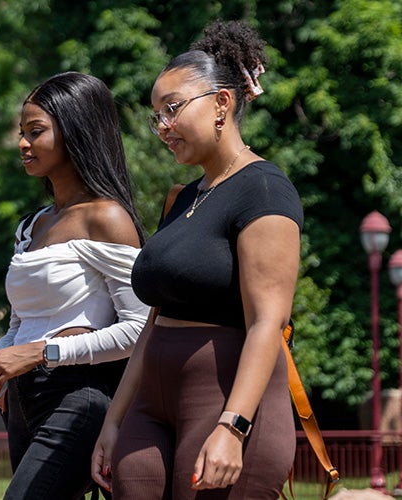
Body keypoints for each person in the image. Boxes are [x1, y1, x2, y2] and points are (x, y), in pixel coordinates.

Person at [90, 20, 301, 499]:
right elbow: (155, 317)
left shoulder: (264, 188)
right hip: (152, 401)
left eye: (172, 109)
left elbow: (269, 320)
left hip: (224, 398)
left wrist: (234, 425)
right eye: (156, 116)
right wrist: (115, 418)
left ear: (222, 103)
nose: (162, 127)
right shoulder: (181, 199)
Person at [0, 71, 149, 499]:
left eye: (36, 132)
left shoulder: (107, 218)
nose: (23, 144)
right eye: (21, 133)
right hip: (23, 400)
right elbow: (23, 326)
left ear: (75, 132)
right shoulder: (33, 225)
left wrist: (42, 353)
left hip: (79, 397)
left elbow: (141, 331)